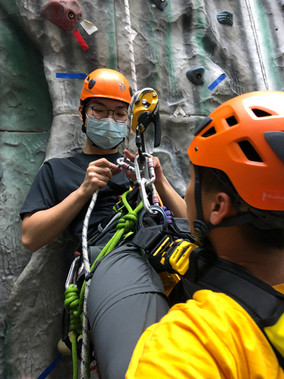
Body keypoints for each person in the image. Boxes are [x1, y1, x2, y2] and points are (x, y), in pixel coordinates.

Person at [125, 90, 284, 378]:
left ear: (219, 206)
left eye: (193, 178)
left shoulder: (190, 344)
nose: (188, 188)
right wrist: (159, 182)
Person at [20, 68, 186, 253]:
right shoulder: (58, 169)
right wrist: (83, 191)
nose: (110, 120)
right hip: (106, 258)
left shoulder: (137, 167)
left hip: (159, 254)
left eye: (120, 114)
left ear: (128, 119)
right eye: (99, 110)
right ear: (82, 113)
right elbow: (30, 238)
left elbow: (190, 222)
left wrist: (159, 182)